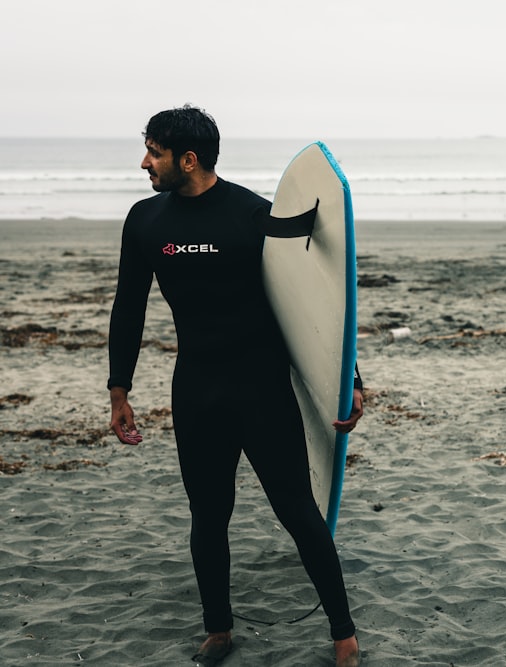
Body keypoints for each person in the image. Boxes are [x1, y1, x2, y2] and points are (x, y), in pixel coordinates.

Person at [107, 105, 362, 667]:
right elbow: (129, 306)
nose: (144, 162)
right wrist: (118, 388)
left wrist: (349, 379)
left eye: (154, 151)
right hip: (196, 389)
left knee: (297, 511)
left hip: (261, 389)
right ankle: (218, 630)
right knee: (208, 514)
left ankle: (343, 635)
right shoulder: (145, 221)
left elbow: (315, 295)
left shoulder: (254, 215)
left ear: (187, 159)